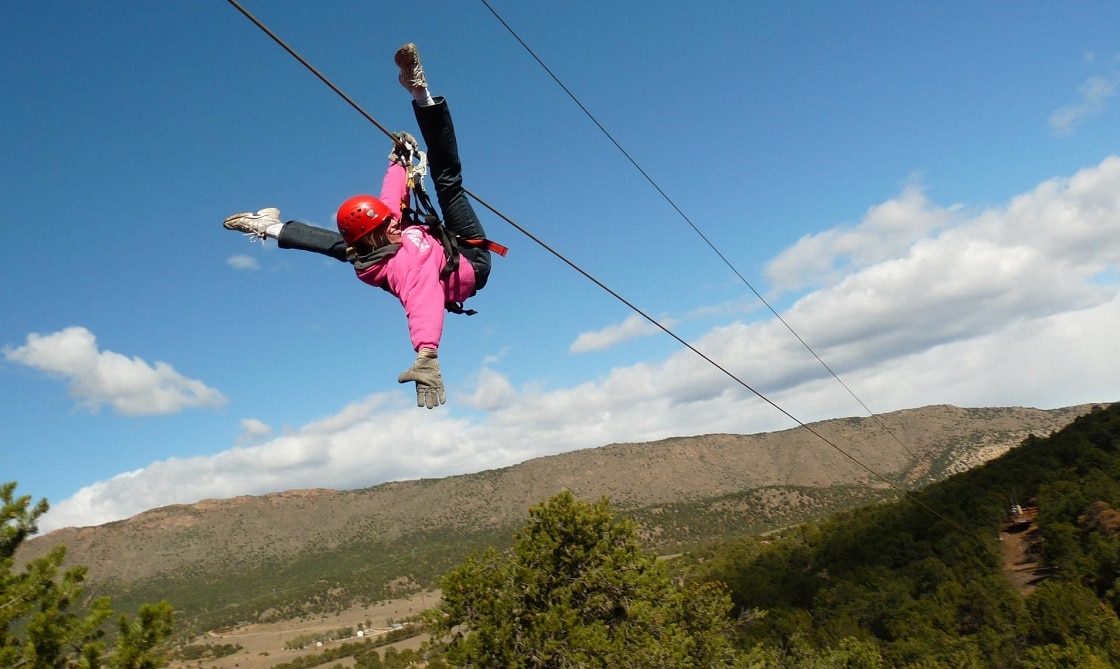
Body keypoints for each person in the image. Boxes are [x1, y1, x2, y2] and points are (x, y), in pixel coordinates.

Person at [222, 43, 493, 409]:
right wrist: (427, 355)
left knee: (345, 250)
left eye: (388, 222)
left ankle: (418, 89)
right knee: (448, 183)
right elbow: (423, 303)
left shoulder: (379, 234)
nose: (394, 225)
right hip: (470, 261)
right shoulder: (405, 267)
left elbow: (391, 196)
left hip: (424, 250)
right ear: (378, 237)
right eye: (388, 226)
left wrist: (399, 161)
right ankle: (422, 96)